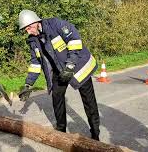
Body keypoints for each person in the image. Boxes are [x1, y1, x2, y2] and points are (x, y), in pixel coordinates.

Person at [17, 10, 100, 141]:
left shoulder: (56, 24)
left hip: (78, 66)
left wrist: (70, 65)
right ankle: (61, 131)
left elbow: (75, 41)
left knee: (89, 101)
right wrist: (28, 84)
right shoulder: (33, 40)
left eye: (29, 28)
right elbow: (35, 63)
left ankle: (95, 134)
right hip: (59, 70)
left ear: (36, 22)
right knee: (57, 96)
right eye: (25, 30)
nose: (28, 32)